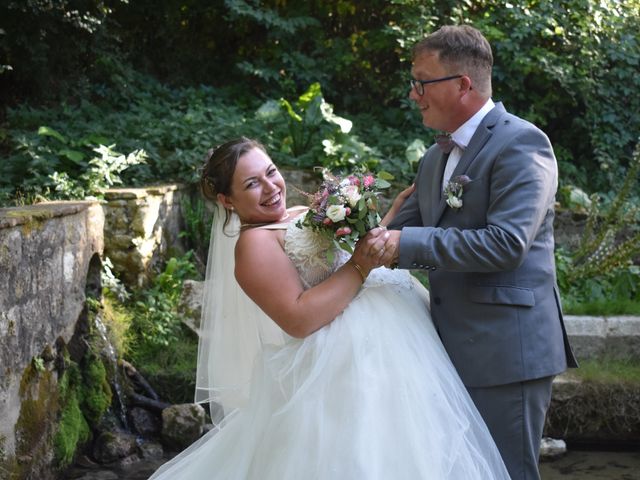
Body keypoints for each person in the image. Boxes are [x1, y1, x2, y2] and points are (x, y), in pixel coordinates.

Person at [149, 137, 511, 479]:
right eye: (252, 184)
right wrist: (360, 266)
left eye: (271, 172)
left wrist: (390, 219)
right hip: (343, 362)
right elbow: (299, 318)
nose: (271, 186)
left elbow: (343, 262)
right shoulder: (254, 245)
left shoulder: (299, 213)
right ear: (228, 201)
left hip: (395, 338)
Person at [374, 25, 578, 480]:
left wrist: (401, 244)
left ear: (463, 84)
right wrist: (327, 228)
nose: (413, 94)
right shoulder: (433, 158)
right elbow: (394, 233)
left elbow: (505, 243)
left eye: (422, 82)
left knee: (506, 473)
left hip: (507, 351)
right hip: (444, 350)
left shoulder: (522, 143)